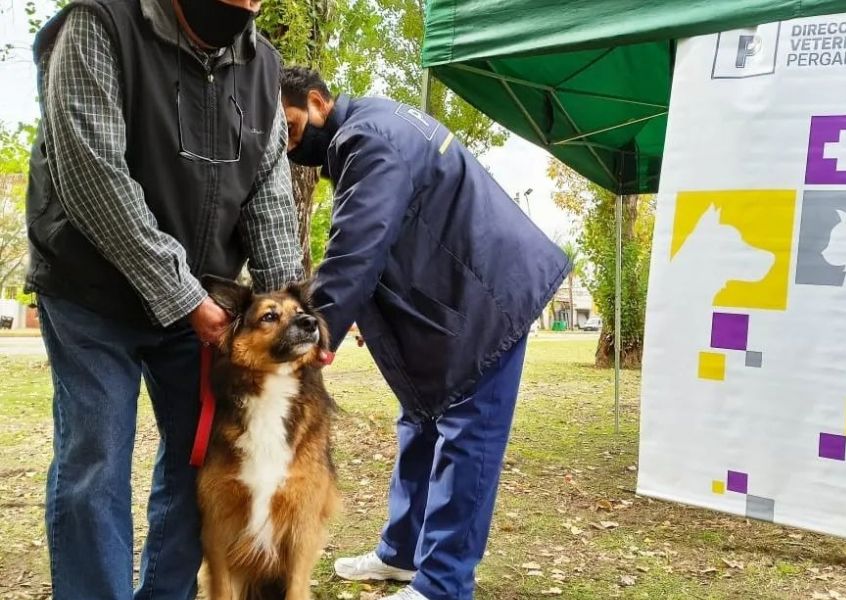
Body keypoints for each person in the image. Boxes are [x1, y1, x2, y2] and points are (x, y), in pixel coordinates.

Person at [25, 0, 302, 598]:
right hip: (91, 291)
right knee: (96, 460)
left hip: (203, 307)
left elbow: (270, 199)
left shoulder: (263, 67)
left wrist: (290, 316)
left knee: (200, 464)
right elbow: (91, 170)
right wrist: (180, 292)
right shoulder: (98, 23)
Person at [281, 67, 569, 600]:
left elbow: (357, 245)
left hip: (490, 299)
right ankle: (403, 554)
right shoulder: (373, 125)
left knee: (467, 433)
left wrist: (316, 333)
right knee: (421, 421)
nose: (290, 146)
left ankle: (442, 585)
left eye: (292, 129)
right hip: (464, 288)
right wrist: (380, 315)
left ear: (318, 102)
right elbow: (403, 230)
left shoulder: (366, 138)